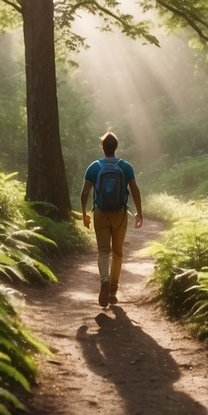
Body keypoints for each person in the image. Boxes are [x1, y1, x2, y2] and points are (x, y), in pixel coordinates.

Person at [80, 131, 143, 308]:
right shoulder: (125, 167)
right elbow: (135, 190)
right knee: (117, 252)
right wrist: (139, 212)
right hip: (120, 213)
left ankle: (104, 281)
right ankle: (113, 288)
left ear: (102, 147)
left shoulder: (94, 167)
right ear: (116, 147)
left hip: (100, 212)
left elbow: (84, 193)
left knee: (103, 251)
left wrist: (84, 214)